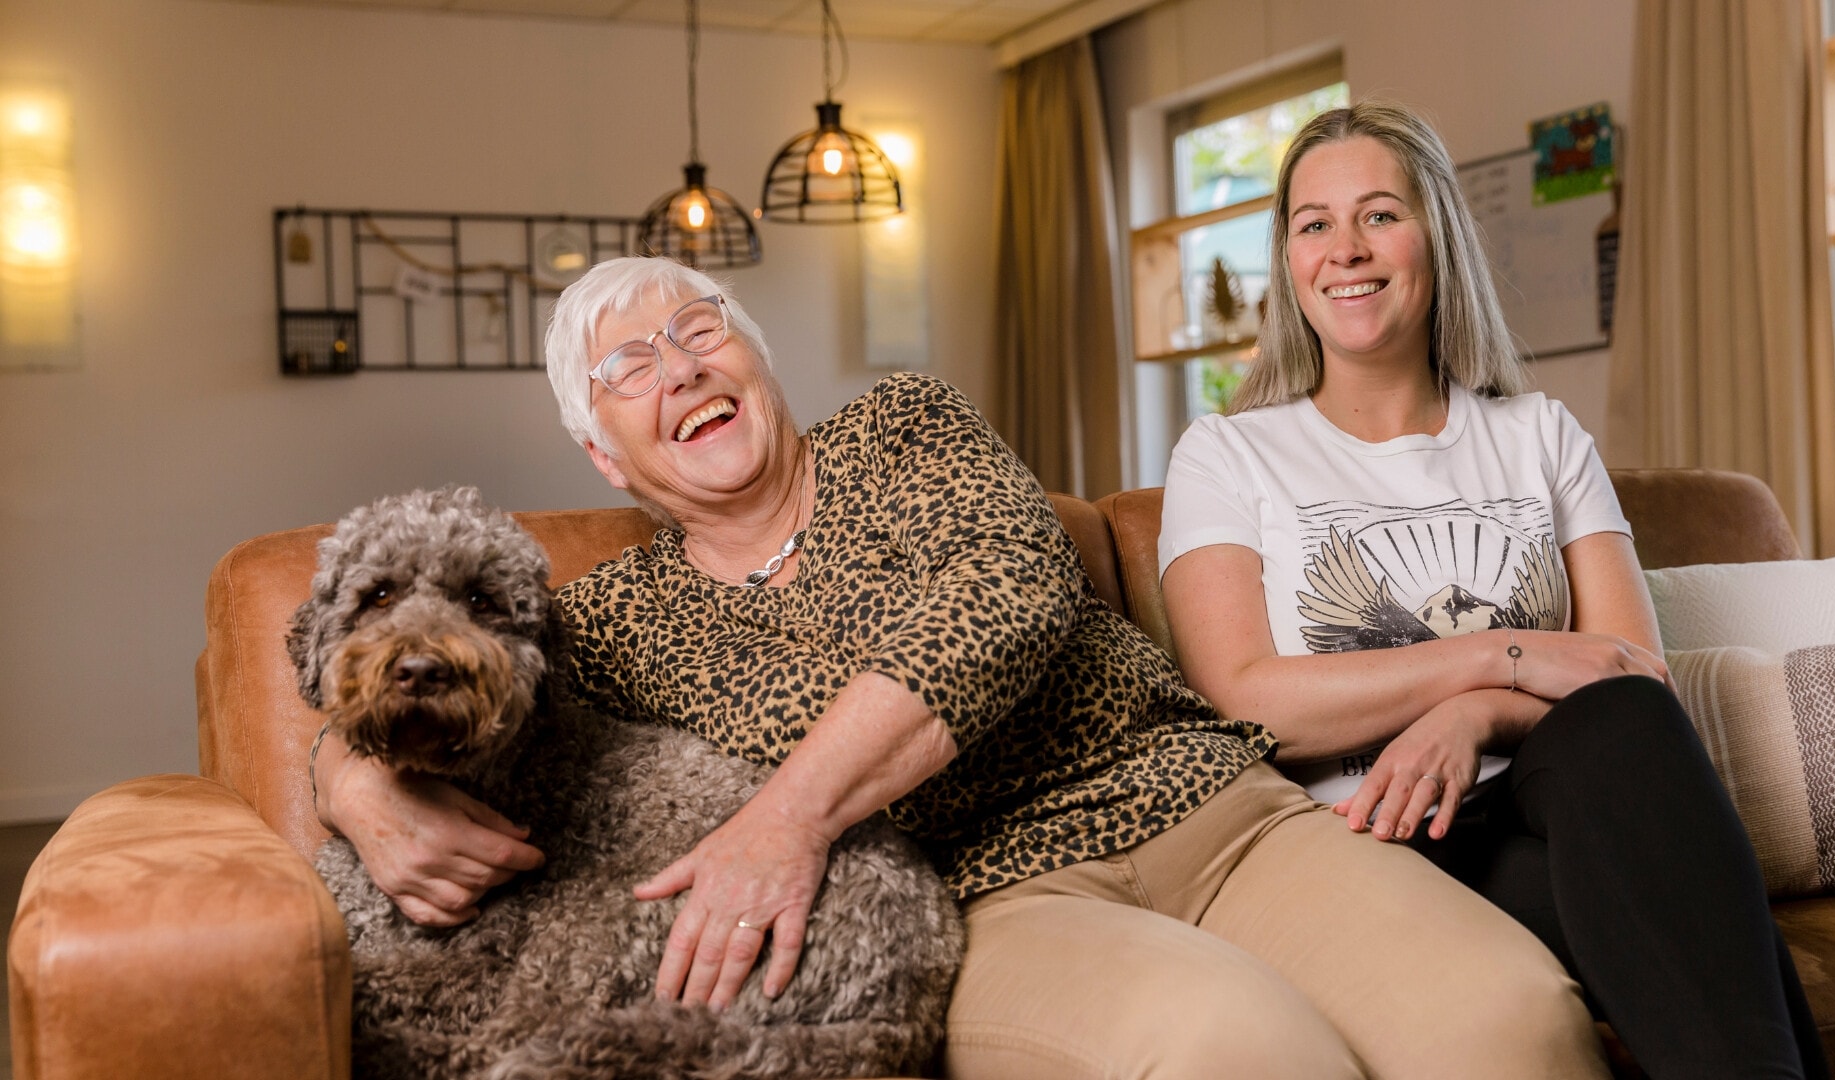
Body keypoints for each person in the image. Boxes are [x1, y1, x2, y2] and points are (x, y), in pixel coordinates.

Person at [309, 254, 1612, 1079]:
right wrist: (349, 785)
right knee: (1241, 1057)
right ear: (603, 453)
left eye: (702, 330)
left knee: (1516, 1022)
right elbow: (443, 684)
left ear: (759, 360)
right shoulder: (607, 623)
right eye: (629, 367)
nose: (682, 367)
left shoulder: (903, 427)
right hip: (994, 902)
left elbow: (1005, 594)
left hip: (1221, 820)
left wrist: (786, 817)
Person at [1158, 100, 1827, 1080]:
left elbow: (1631, 678)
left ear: (1437, 234)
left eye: (1380, 215)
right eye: (1315, 224)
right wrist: (1492, 655)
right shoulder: (1227, 454)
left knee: (1631, 750)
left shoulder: (1539, 435)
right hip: (1369, 839)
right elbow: (1244, 698)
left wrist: (1472, 714)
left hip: (1565, 803)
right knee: (1706, 936)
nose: (1347, 248)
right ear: (1288, 261)